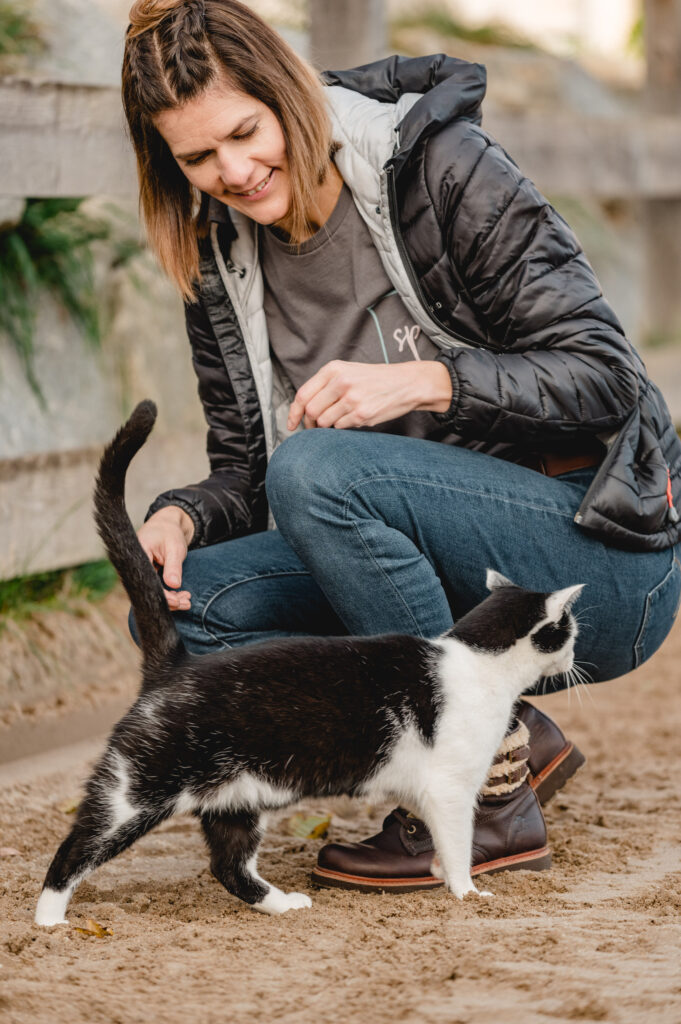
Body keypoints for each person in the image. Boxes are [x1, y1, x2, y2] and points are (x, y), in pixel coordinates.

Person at [122, 0, 681, 892]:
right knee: (188, 617)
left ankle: (490, 801)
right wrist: (184, 513)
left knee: (319, 469)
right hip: (430, 579)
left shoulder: (437, 168)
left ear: (288, 95)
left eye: (243, 132)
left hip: (594, 558)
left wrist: (433, 380)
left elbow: (607, 375)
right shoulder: (216, 251)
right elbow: (245, 465)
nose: (232, 171)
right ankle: (504, 729)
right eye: (197, 157)